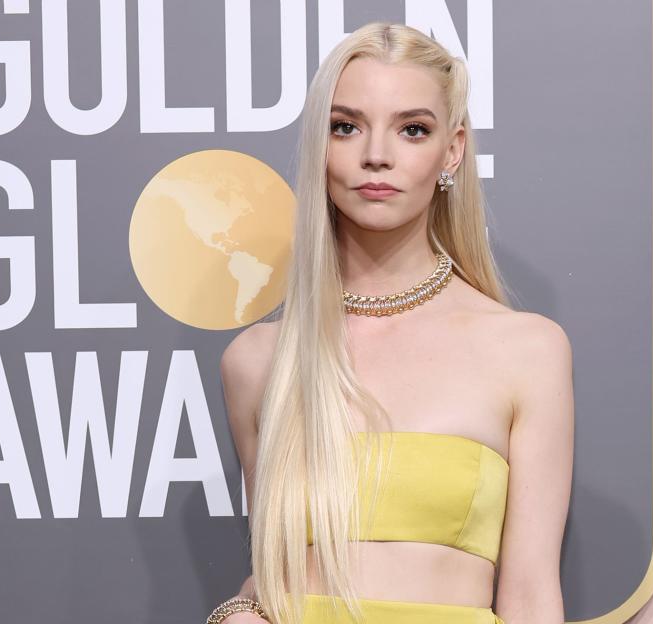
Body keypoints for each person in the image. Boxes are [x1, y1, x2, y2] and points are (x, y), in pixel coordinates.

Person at [209, 21, 574, 624]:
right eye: (346, 126)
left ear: (451, 150)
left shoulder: (526, 350)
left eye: (412, 129)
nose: (376, 154)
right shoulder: (258, 360)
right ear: (319, 145)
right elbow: (274, 571)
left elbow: (532, 595)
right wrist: (240, 613)